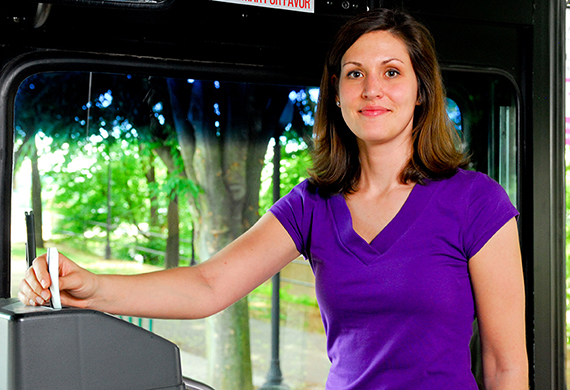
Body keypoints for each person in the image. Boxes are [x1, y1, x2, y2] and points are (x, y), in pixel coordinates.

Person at [19, 8, 528, 389]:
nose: (373, 89)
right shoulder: (312, 204)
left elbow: (506, 366)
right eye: (355, 74)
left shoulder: (476, 202)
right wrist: (89, 285)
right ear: (336, 92)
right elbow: (207, 285)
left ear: (421, 91)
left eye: (392, 72)